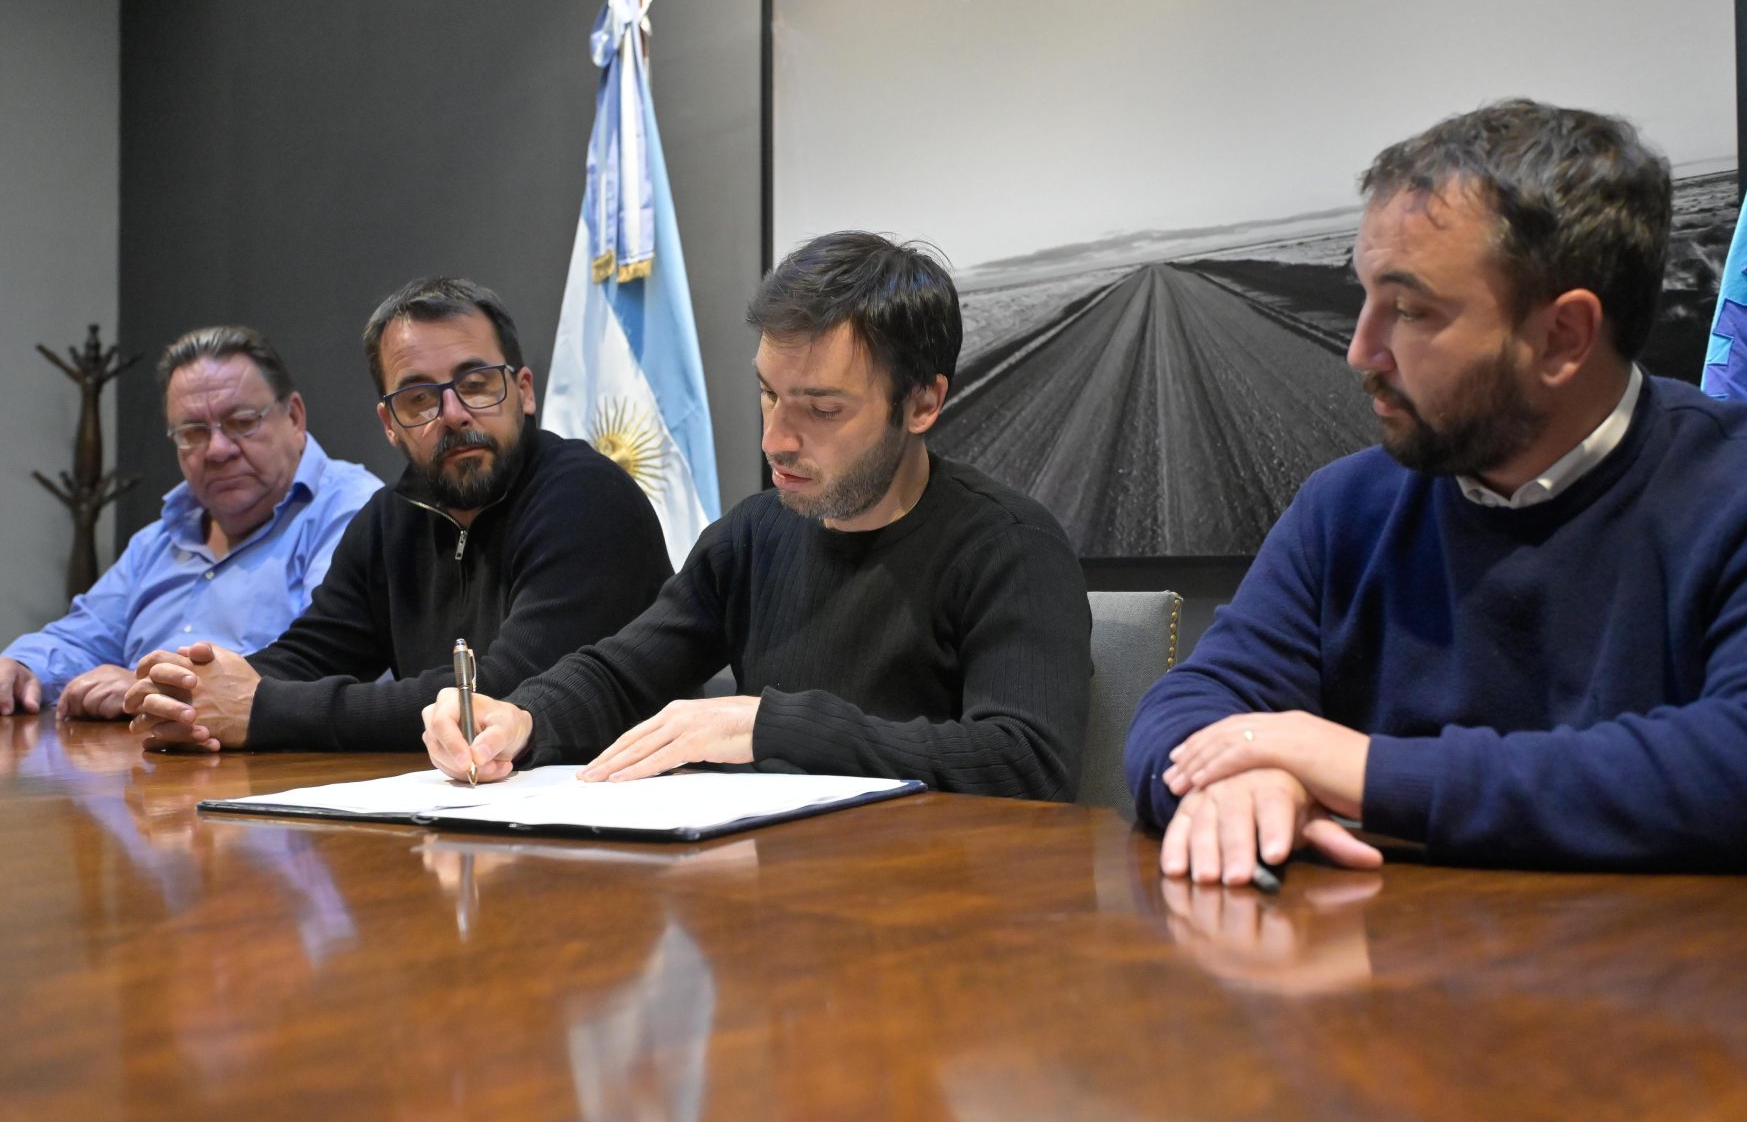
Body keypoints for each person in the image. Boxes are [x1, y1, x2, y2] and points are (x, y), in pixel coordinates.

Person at [1128, 99, 1747, 879]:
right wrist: (1245, 780)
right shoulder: (1344, 508)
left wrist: (1364, 771)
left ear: (1563, 337)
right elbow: (1190, 707)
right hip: (1386, 951)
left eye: (1410, 310)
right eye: (1363, 296)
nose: (1360, 351)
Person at [419, 231, 1092, 800]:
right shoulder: (753, 534)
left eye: (822, 409)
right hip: (772, 890)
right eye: (768, 394)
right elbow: (623, 673)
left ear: (921, 404)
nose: (774, 439)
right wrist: (522, 718)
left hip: (933, 897)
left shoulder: (1011, 547)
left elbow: (1026, 759)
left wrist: (773, 726)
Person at [124, 276, 670, 752]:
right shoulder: (391, 517)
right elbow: (314, 652)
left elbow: (500, 691)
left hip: (615, 810)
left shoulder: (586, 496)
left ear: (523, 393)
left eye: (476, 384)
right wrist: (193, 693)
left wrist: (261, 709)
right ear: (389, 423)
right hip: (458, 804)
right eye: (419, 399)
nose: (453, 414)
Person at [0, 327, 380, 721]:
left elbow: (323, 657)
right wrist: (22, 667)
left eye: (241, 422)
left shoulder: (354, 511)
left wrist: (159, 687)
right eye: (193, 432)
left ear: (295, 417)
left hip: (275, 753)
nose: (218, 450)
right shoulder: (160, 539)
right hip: (134, 751)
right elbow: (82, 637)